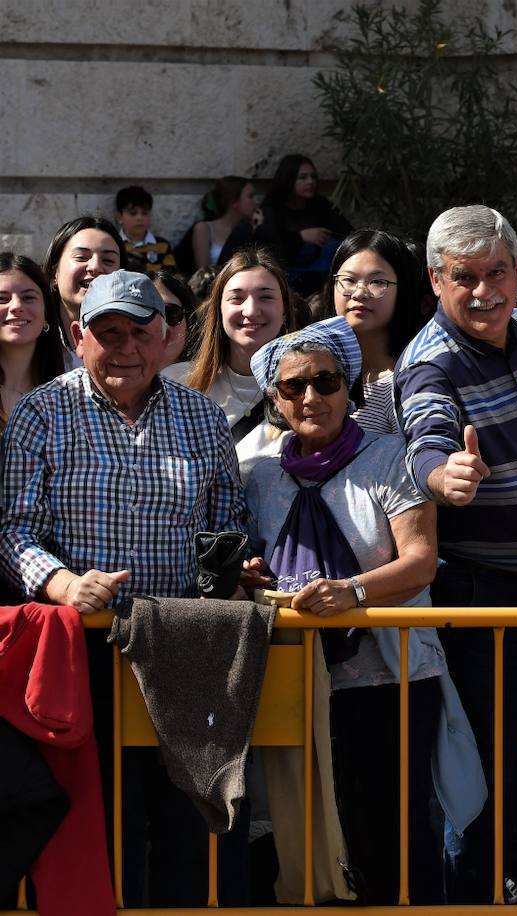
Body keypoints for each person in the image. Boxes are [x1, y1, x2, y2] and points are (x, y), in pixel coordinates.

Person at [0, 269, 250, 905]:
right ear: (80, 336)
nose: (126, 348)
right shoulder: (41, 412)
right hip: (84, 653)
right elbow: (12, 532)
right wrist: (60, 583)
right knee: (102, 823)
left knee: (186, 826)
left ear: (167, 336)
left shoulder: (203, 419)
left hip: (183, 650)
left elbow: (227, 528)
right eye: (108, 333)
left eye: (141, 332)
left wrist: (229, 572)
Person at [394, 205, 517, 903]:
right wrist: (448, 476)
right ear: (437, 283)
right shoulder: (426, 361)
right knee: (480, 774)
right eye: (463, 278)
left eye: (496, 273)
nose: (484, 292)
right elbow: (427, 438)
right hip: (483, 600)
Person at [242, 317, 446, 904]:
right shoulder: (261, 477)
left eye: (326, 382)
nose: (312, 398)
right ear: (275, 401)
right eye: (293, 387)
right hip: (297, 678)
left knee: (395, 829)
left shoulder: (390, 458)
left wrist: (351, 592)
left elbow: (421, 561)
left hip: (390, 674)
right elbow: (254, 557)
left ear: (347, 387)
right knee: (313, 830)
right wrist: (251, 571)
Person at [164, 247, 297, 474]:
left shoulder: (308, 393)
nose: (251, 310)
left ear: (284, 310)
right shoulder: (173, 383)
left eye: (265, 297)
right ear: (219, 309)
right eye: (236, 298)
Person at [329, 229, 426, 434]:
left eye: (377, 282)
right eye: (348, 280)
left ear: (403, 291)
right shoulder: (314, 374)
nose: (359, 293)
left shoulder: (409, 383)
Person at [258, 155, 353, 296]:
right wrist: (301, 237)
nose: (310, 182)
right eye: (303, 177)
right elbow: (271, 250)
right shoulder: (272, 210)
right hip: (286, 283)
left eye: (313, 177)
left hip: (322, 282)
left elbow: (348, 233)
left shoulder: (321, 205)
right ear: (288, 180)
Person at [0, 252, 67, 432]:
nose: (16, 307)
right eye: (2, 299)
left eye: (28, 297)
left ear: (46, 313)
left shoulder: (70, 395)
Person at [43, 215, 123, 360]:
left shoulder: (133, 341)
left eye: (108, 260)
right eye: (81, 257)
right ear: (54, 272)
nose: (95, 267)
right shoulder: (30, 337)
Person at [187, 176, 259, 271]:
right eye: (250, 196)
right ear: (234, 201)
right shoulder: (204, 228)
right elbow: (202, 273)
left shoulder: (252, 228)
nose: (255, 202)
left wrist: (257, 230)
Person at [114, 185, 178, 275]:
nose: (139, 218)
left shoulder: (162, 246)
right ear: (119, 217)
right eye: (133, 213)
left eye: (144, 213)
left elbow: (172, 277)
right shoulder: (113, 244)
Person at [150, 268, 195, 370]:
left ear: (189, 322)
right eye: (146, 312)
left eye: (170, 313)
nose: (160, 323)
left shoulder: (216, 383)